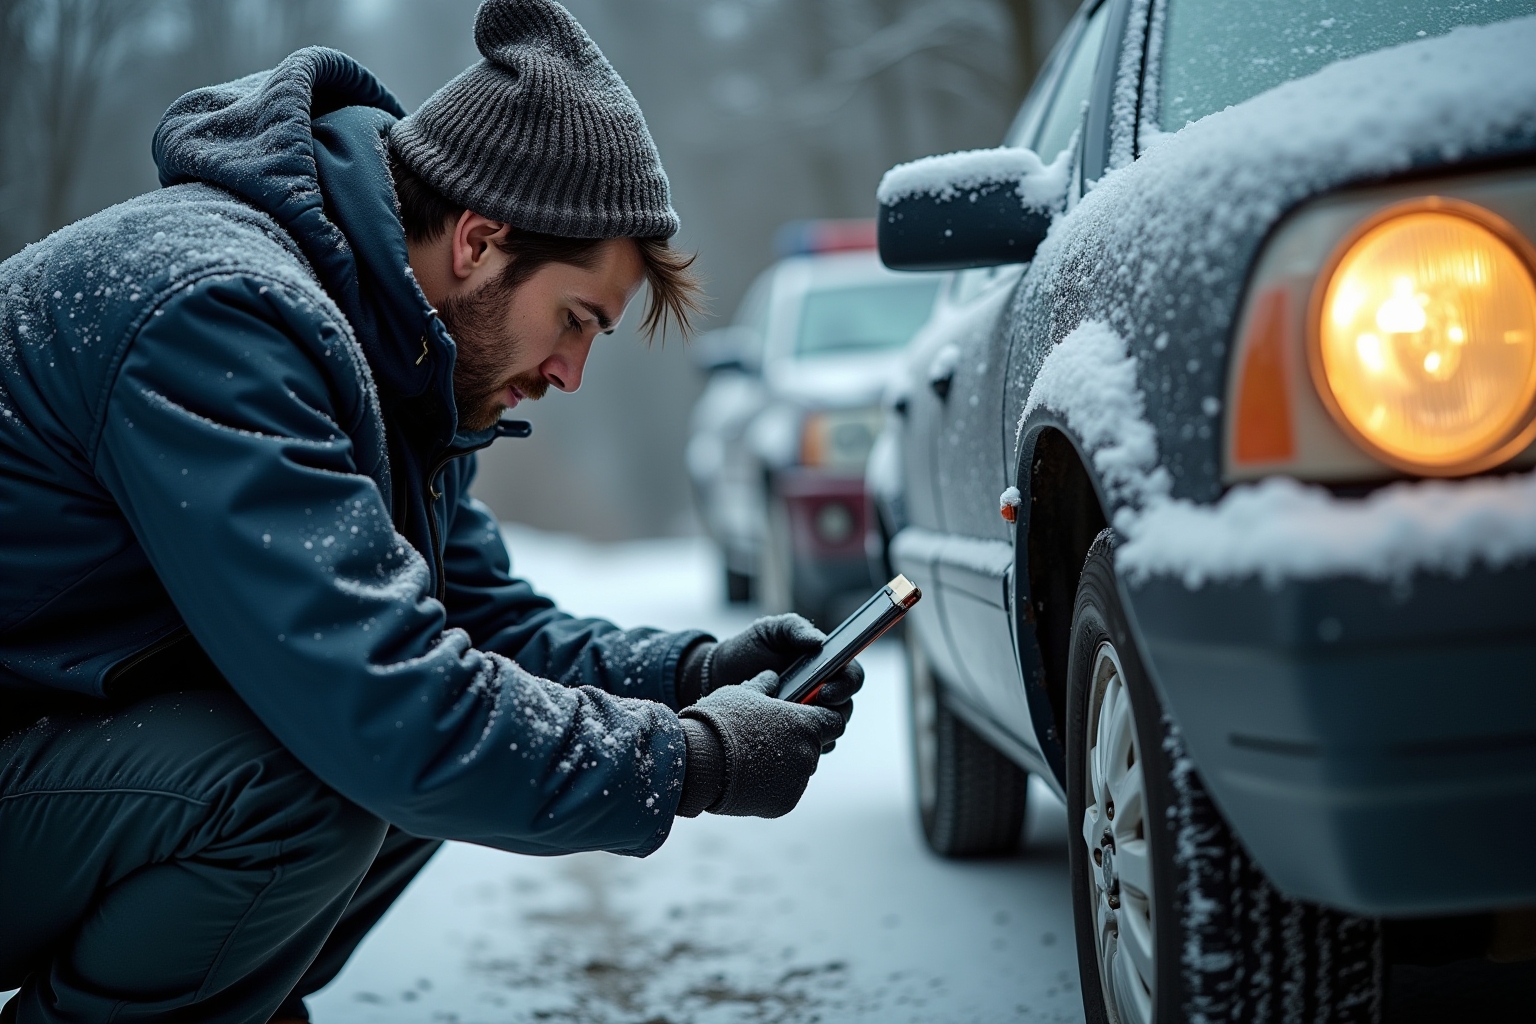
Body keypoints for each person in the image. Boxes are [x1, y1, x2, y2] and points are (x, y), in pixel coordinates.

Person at [0, 2, 863, 1020]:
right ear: (480, 240)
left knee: (412, 754)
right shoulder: (217, 315)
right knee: (322, 779)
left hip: (45, 751)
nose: (572, 373)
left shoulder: (394, 356)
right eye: (575, 320)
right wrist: (695, 758)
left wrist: (690, 677)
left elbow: (477, 629)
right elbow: (391, 708)